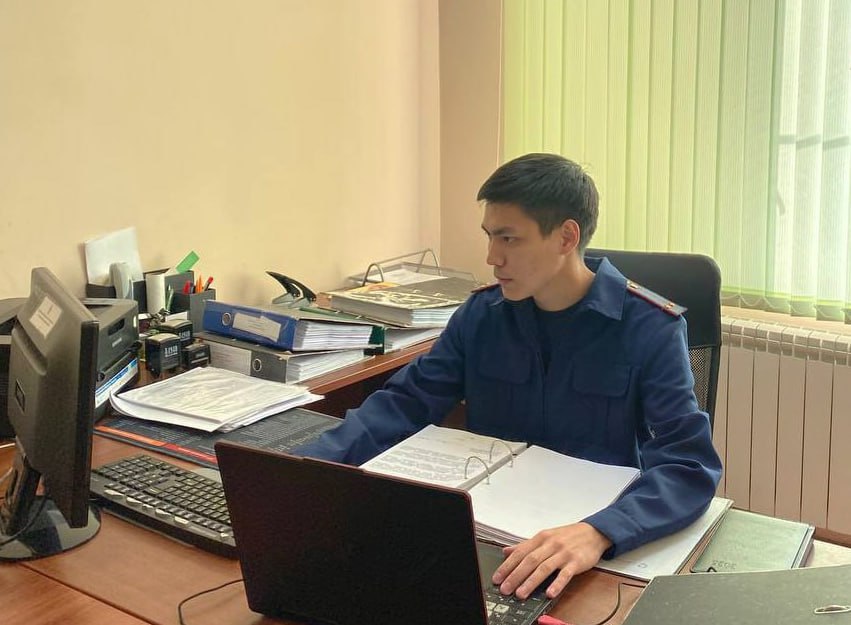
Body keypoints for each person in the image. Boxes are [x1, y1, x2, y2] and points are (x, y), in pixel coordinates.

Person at [296, 153, 722, 601]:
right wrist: (305, 469)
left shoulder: (650, 328)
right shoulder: (482, 316)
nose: (491, 257)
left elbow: (688, 466)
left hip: (585, 549)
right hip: (485, 541)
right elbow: (405, 403)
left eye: (509, 238)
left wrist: (600, 532)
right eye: (489, 236)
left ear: (566, 237)